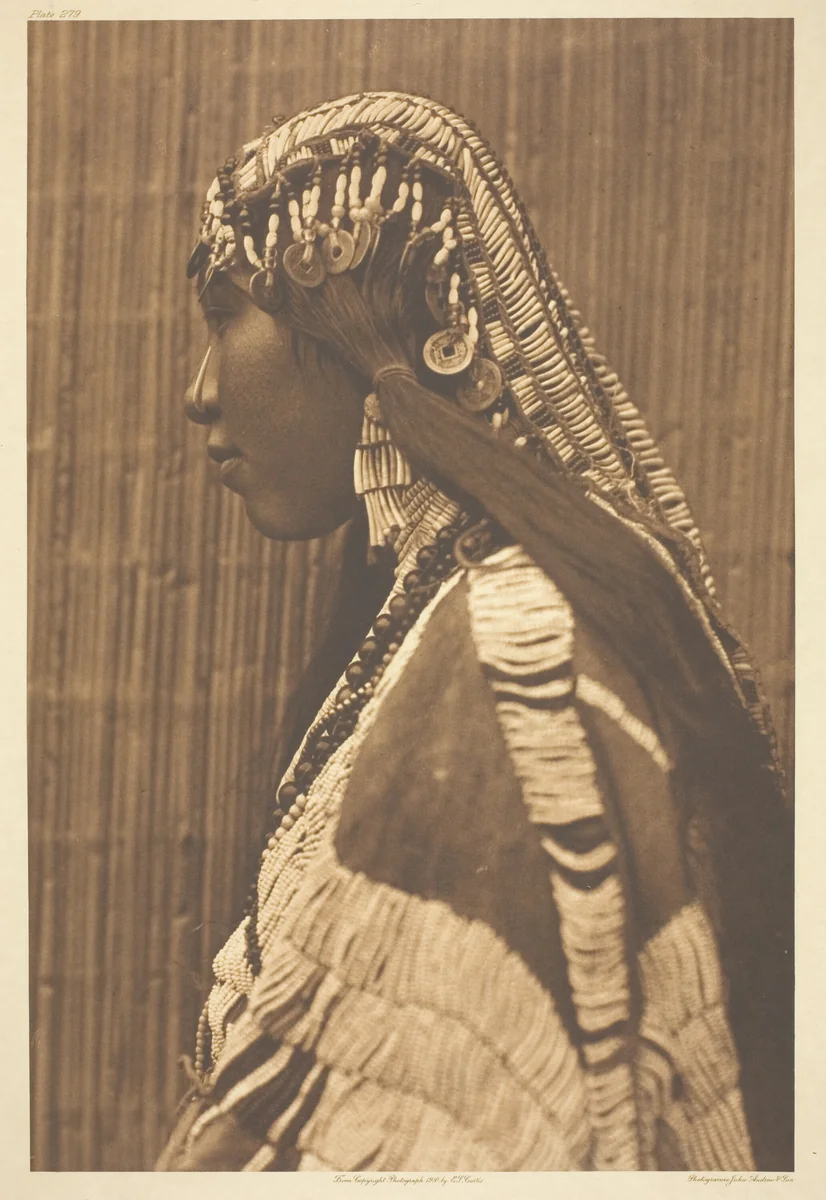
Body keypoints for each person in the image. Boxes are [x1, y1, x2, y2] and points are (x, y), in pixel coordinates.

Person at [155, 91, 793, 1172]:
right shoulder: (444, 616)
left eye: (225, 314)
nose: (198, 394)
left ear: (353, 310)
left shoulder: (508, 653)